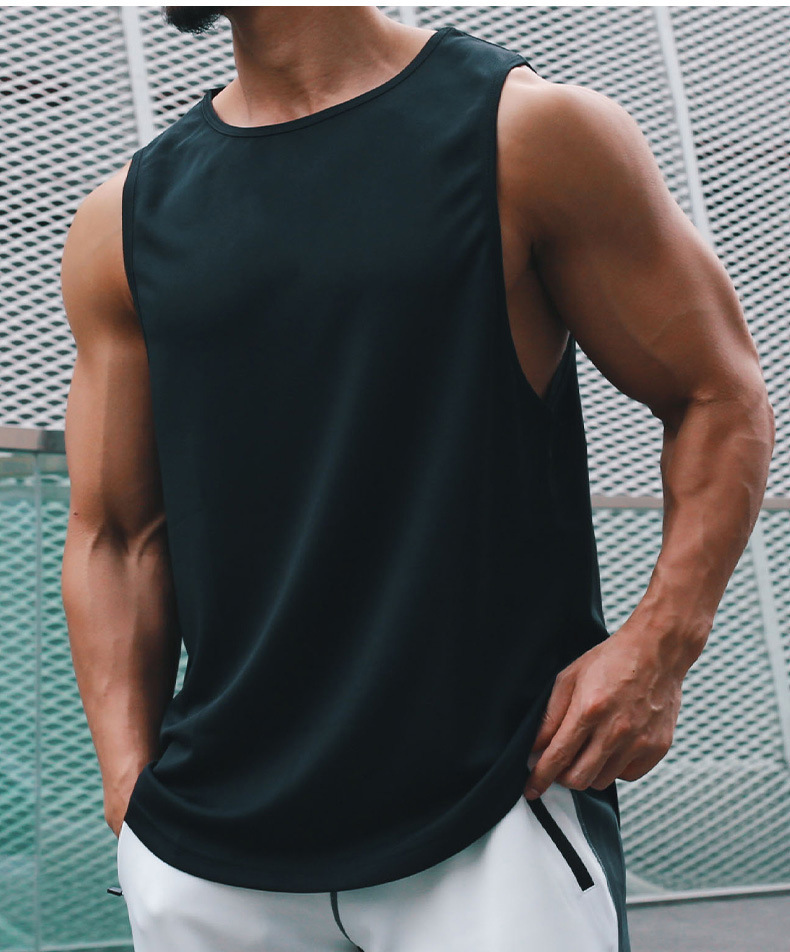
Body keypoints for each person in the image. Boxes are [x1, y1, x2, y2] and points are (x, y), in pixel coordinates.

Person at [59, 7, 775, 951]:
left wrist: (661, 648)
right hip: (210, 859)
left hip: (493, 819)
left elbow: (717, 395)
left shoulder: (527, 135)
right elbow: (115, 536)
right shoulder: (126, 217)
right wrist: (130, 800)